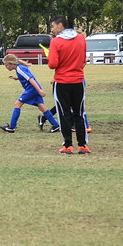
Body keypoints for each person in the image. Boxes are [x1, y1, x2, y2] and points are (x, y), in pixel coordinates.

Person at [47, 16, 89, 154]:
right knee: (79, 113)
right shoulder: (81, 39)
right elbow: (83, 59)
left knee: (64, 114)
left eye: (53, 26)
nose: (52, 30)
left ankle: (68, 145)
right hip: (78, 81)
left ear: (60, 26)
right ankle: (83, 145)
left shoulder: (56, 42)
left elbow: (52, 64)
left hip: (62, 82)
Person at [0, 53, 59, 133]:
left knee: (17, 104)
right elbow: (26, 77)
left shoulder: (20, 69)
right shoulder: (19, 68)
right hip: (33, 89)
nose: (6, 67)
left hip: (31, 89)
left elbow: (31, 79)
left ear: (12, 63)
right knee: (41, 106)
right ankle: (56, 125)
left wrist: (39, 90)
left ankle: (12, 127)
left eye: (7, 65)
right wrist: (17, 78)